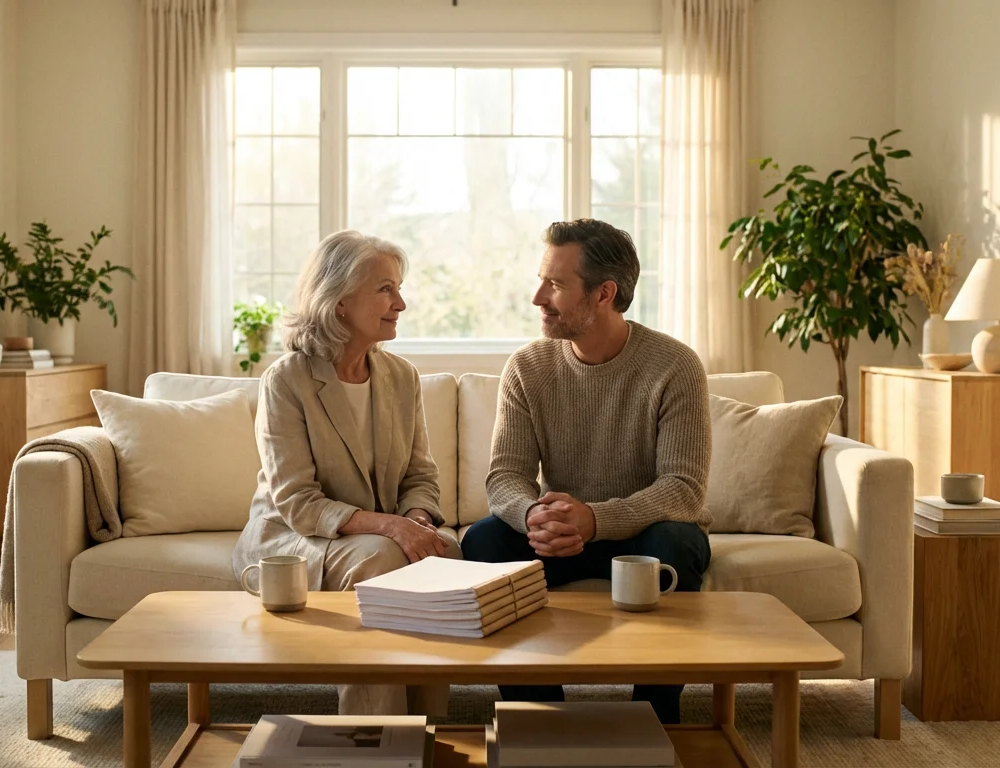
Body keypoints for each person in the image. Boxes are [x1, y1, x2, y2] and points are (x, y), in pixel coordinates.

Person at [460, 218, 713, 724]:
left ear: (604, 293)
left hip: (640, 534)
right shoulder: (528, 366)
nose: (538, 298)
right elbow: (504, 477)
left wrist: (594, 519)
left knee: (678, 543)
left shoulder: (675, 366)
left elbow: (683, 491)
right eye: (541, 280)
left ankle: (655, 716)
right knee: (483, 542)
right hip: (556, 535)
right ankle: (538, 710)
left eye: (554, 284)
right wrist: (534, 514)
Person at [232, 229, 460, 717]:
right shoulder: (288, 378)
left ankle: (428, 723)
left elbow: (421, 473)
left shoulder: (401, 376)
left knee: (447, 551)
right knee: (379, 558)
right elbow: (296, 501)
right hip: (294, 535)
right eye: (385, 289)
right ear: (338, 302)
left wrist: (416, 517)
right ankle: (373, 735)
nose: (401, 302)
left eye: (399, 288)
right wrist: (388, 525)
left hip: (369, 533)